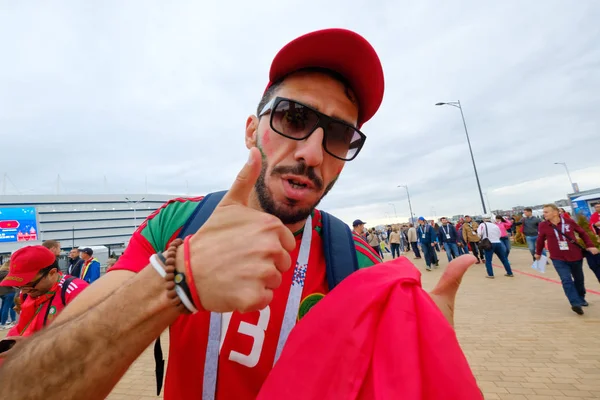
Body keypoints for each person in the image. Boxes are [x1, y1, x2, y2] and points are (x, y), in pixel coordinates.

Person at [0, 29, 474, 400]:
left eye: (338, 136)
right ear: (252, 131)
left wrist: (422, 362)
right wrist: (175, 281)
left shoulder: (359, 267)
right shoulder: (178, 223)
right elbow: (29, 383)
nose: (311, 152)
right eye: (293, 118)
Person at [0, 246, 88, 338]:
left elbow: (85, 338)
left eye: (29, 284)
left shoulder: (75, 292)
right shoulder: (27, 292)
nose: (24, 290)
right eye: (18, 285)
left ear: (52, 273)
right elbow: (22, 327)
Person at [536, 204, 599, 315]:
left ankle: (581, 297)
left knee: (579, 279)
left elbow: (582, 233)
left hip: (575, 255)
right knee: (566, 279)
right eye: (544, 212)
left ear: (555, 212)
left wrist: (590, 245)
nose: (544, 214)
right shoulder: (543, 225)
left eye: (546, 212)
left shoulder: (569, 221)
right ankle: (575, 303)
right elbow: (540, 239)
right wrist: (538, 253)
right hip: (557, 257)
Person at [0, 262, 17, 329]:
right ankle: (3, 324)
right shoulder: (8, 274)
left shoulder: (1, 273)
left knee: (10, 306)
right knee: (6, 308)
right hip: (9, 292)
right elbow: (12, 283)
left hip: (2, 293)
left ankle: (7, 321)